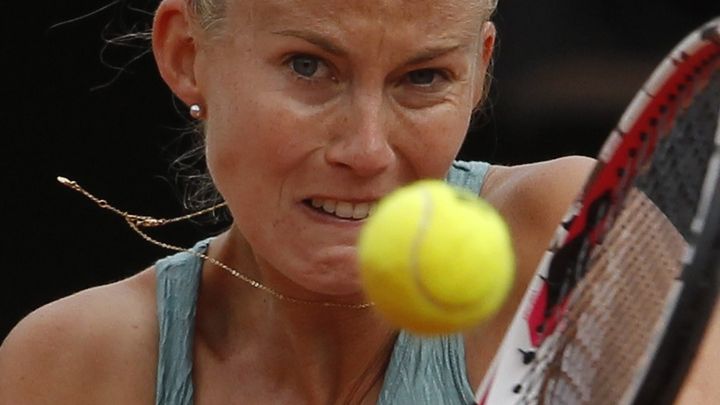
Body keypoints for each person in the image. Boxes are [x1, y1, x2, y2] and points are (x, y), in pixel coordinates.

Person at [0, 0, 714, 404]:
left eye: (424, 76)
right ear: (187, 54)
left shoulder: (570, 241)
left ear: (478, 75)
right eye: (309, 67)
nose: (367, 150)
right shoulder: (71, 367)